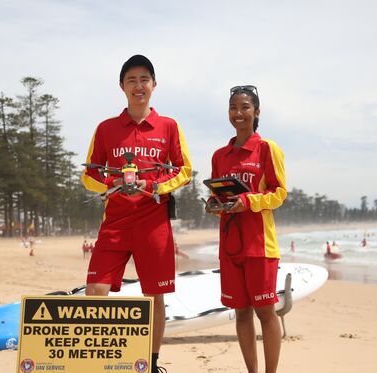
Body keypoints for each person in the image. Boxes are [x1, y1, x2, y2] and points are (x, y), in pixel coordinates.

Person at [81, 54, 192, 373]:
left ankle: (152, 363)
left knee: (154, 295)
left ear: (154, 85)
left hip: (153, 224)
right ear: (122, 86)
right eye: (132, 80)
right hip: (114, 223)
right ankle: (100, 362)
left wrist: (155, 185)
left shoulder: (169, 126)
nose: (138, 85)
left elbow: (184, 171)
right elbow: (88, 175)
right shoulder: (105, 129)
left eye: (144, 79)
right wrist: (112, 182)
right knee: (96, 291)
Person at [206, 85, 286, 373]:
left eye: (244, 108)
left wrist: (246, 201)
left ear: (256, 112)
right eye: (233, 108)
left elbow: (279, 194)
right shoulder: (219, 155)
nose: (238, 114)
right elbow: (220, 196)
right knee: (240, 312)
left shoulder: (267, 149)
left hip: (260, 245)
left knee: (266, 311)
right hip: (230, 246)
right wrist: (214, 205)